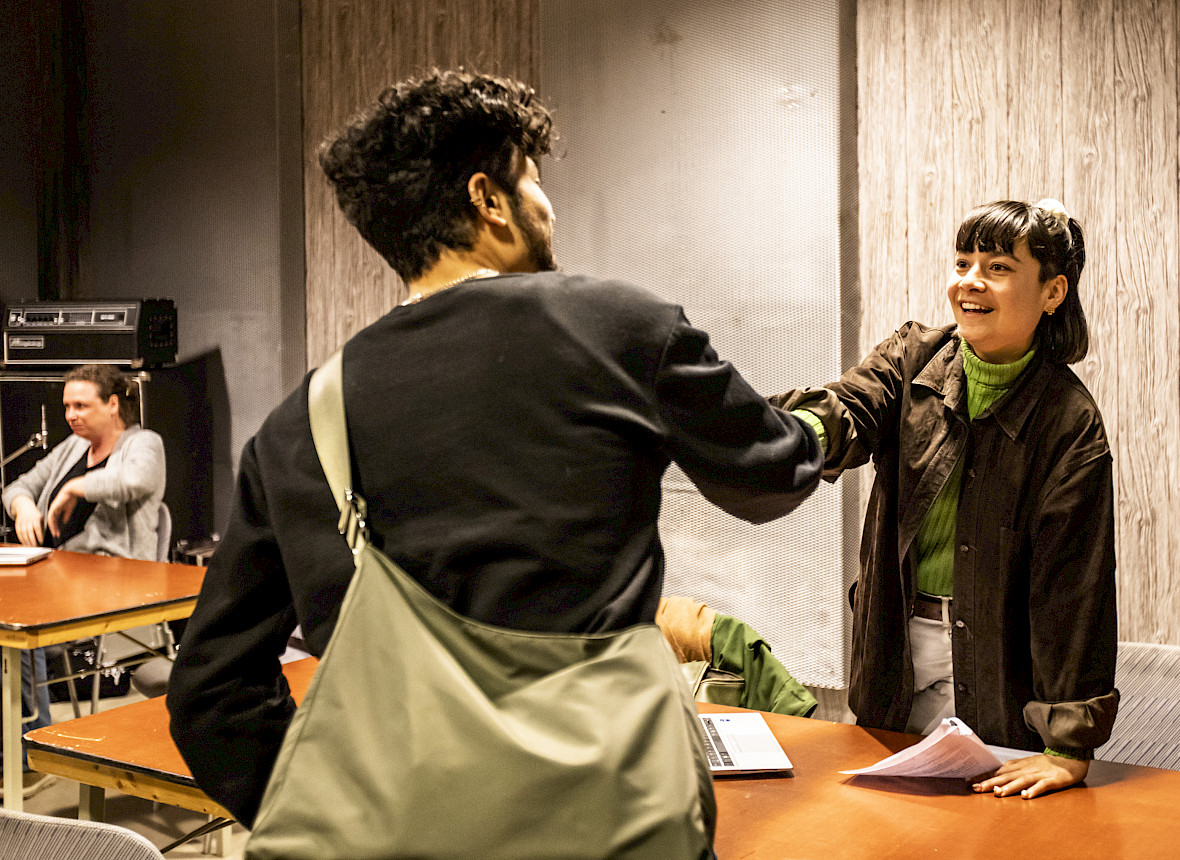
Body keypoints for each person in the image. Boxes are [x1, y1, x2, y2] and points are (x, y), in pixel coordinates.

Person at [165, 69, 825, 830]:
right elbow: (771, 475)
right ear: (488, 199)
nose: (547, 206)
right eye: (534, 181)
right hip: (613, 824)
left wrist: (335, 812)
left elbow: (211, 693)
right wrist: (828, 420)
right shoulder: (622, 329)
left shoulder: (299, 426)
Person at [774, 199, 1118, 799]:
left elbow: (1074, 589)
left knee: (981, 828)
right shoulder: (913, 356)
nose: (970, 282)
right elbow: (851, 406)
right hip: (894, 651)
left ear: (1053, 292)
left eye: (998, 267)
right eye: (963, 263)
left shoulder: (1070, 423)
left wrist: (1068, 749)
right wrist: (797, 432)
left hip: (998, 669)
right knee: (882, 820)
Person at [1, 363, 166, 796]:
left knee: (17, 624)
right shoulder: (73, 446)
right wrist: (24, 507)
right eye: (67, 406)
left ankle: (27, 753)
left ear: (112, 404)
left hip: (113, 584)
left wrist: (74, 489)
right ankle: (19, 744)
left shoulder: (144, 443)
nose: (71, 415)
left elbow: (134, 480)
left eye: (81, 405)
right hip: (55, 574)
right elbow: (19, 485)